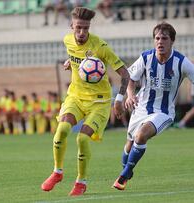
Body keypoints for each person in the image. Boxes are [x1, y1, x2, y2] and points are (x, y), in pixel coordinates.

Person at [40, 7, 129, 196]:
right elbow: (76, 56)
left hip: (99, 101)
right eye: (78, 28)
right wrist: (70, 63)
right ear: (71, 26)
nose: (81, 33)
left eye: (86, 29)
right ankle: (57, 172)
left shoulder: (100, 47)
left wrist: (120, 99)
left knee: (82, 138)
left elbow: (125, 74)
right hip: (76, 96)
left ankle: (81, 181)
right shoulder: (67, 40)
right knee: (62, 129)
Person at [111, 22, 194, 190]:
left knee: (141, 136)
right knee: (129, 145)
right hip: (141, 108)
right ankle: (126, 169)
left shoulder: (181, 62)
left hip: (163, 112)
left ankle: (124, 175)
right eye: (157, 38)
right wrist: (130, 95)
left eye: (164, 38)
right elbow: (130, 78)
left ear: (172, 41)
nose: (160, 42)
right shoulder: (146, 57)